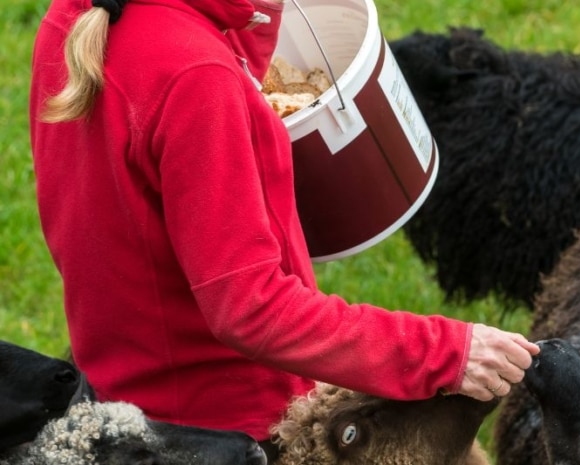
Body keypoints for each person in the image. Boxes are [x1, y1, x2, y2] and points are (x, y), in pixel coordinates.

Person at [29, 0, 540, 457]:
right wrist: (448, 351)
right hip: (225, 430)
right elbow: (251, 308)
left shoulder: (73, 17)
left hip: (119, 395)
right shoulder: (198, 78)